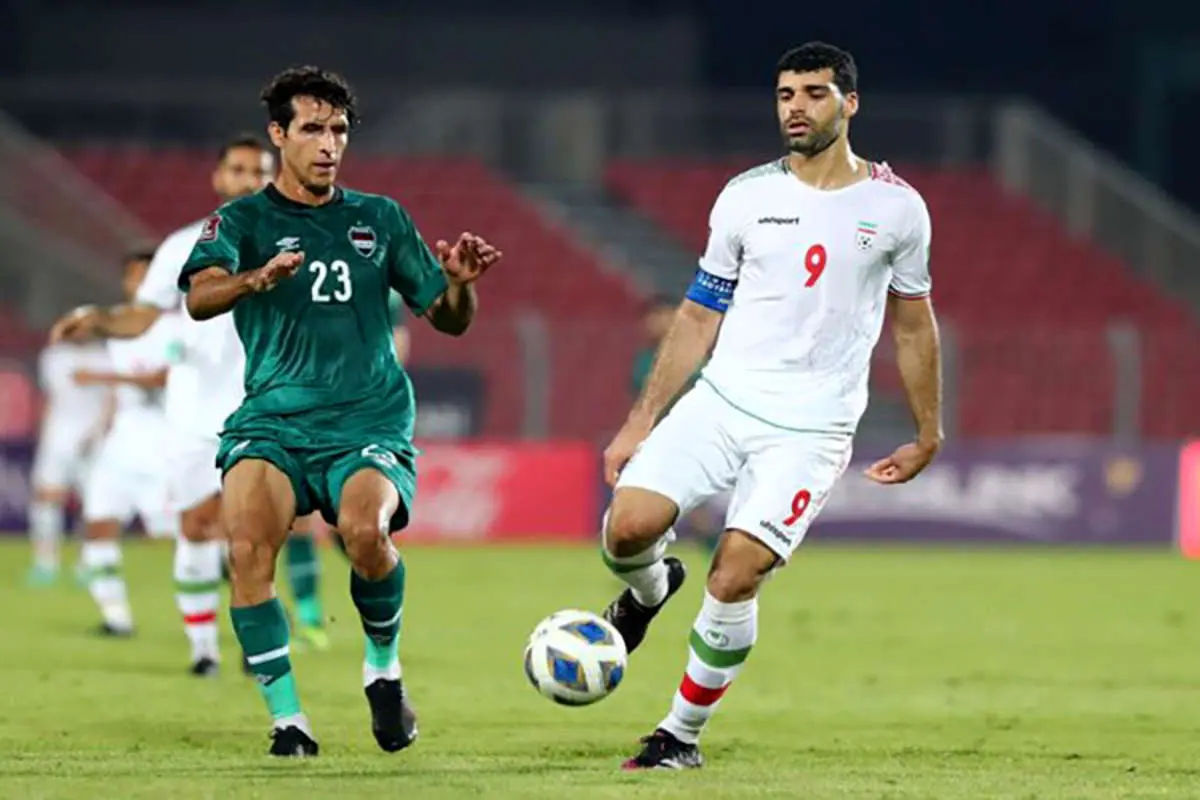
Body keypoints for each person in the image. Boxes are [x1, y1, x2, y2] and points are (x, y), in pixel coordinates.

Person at [598, 42, 943, 770]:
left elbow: (914, 325)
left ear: (850, 103)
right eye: (786, 94)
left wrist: (927, 431)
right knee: (626, 531)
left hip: (812, 427)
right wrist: (640, 421)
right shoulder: (745, 197)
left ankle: (679, 734)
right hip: (723, 399)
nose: (796, 107)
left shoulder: (897, 208)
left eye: (814, 93)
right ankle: (650, 591)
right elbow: (699, 314)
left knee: (735, 573)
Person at [178, 65, 500, 757]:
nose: (329, 145)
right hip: (273, 420)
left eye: (340, 131)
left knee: (364, 532)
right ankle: (289, 723)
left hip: (367, 419)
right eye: (313, 129)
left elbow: (448, 319)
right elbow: (199, 297)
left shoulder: (380, 218)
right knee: (247, 550)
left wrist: (461, 286)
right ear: (279, 134)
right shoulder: (242, 221)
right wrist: (252, 279)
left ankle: (383, 669)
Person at [49, 135, 329, 675]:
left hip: (262, 411)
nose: (248, 179)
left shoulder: (298, 242)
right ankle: (203, 651)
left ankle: (257, 642)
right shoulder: (183, 246)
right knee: (197, 526)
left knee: (253, 533)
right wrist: (99, 320)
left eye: (258, 171)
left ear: (272, 177)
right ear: (219, 178)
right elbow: (143, 315)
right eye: (238, 169)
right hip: (192, 413)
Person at [76, 250, 181, 635]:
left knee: (190, 538)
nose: (137, 283)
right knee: (98, 527)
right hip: (121, 443)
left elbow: (164, 379)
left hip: (163, 444)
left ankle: (255, 598)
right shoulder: (119, 326)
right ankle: (116, 618)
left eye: (145, 275)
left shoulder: (177, 325)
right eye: (132, 275)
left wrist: (102, 378)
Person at [26, 339, 111, 586]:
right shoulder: (54, 356)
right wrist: (43, 433)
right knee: (46, 498)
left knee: (93, 505)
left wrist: (100, 430)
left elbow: (112, 400)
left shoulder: (105, 357)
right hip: (57, 437)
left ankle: (87, 564)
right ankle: (45, 563)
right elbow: (49, 398)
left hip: (93, 439)